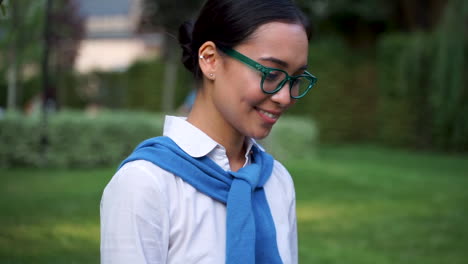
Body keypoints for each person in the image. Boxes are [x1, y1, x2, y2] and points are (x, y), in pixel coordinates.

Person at [100, 0, 317, 263]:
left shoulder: (277, 181)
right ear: (210, 60)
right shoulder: (146, 183)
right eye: (271, 74)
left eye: (296, 79)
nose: (285, 97)